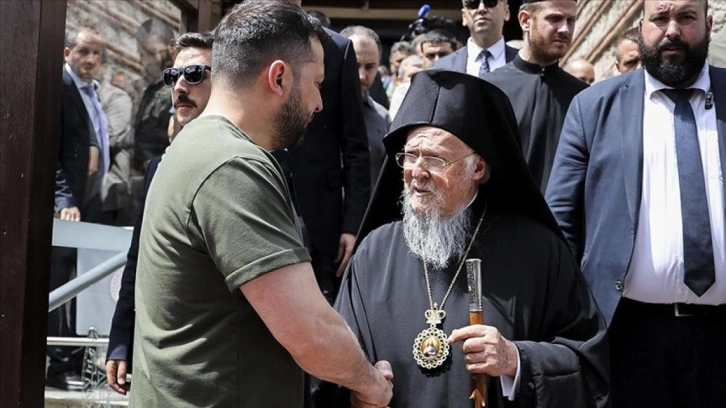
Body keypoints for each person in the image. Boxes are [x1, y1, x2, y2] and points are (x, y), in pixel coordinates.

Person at [131, 2, 393, 406]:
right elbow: (309, 330)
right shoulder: (233, 165)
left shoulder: (194, 144)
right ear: (279, 77)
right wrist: (371, 383)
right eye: (316, 83)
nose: (320, 103)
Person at [317, 69, 609, 407]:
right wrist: (358, 389)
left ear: (478, 168)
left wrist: (516, 359)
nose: (417, 172)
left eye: (436, 159)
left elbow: (586, 363)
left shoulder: (540, 252)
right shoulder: (374, 253)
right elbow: (334, 360)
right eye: (410, 156)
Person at [546, 1, 725, 407]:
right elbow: (561, 225)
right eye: (660, 18)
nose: (672, 30)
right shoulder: (593, 108)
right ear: (641, 25)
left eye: (686, 17)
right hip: (626, 337)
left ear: (709, 23)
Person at [105, 31, 214, 396]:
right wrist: (120, 337)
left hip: (215, 365)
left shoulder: (252, 163)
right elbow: (139, 256)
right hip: (158, 361)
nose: (180, 86)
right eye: (173, 76)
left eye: (195, 74)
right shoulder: (158, 166)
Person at [273, 0, 372, 303]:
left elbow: (355, 145)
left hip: (321, 215)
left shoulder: (336, 48)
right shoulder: (246, 41)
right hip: (264, 196)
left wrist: (352, 225)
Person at [47, 27, 108, 390]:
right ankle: (55, 366)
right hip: (66, 207)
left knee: (78, 284)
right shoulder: (61, 85)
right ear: (67, 52)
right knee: (58, 284)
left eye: (96, 53)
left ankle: (70, 362)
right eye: (84, 51)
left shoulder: (89, 89)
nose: (91, 59)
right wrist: (64, 200)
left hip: (89, 202)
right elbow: (52, 150)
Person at [482, 0, 587, 192]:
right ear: (525, 21)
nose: (565, 29)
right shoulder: (489, 90)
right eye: (555, 18)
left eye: (571, 20)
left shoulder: (584, 97)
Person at [340, 25, 391, 186]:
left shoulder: (383, 118)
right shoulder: (314, 111)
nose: (362, 76)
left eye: (370, 67)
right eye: (355, 65)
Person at [431, 0, 517, 76]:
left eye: (490, 2)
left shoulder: (523, 63)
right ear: (464, 16)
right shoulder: (440, 68)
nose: (481, 9)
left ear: (506, 12)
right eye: (473, 4)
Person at [388, 55, 424, 119]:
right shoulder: (400, 92)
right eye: (413, 76)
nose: (419, 80)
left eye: (422, 76)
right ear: (400, 80)